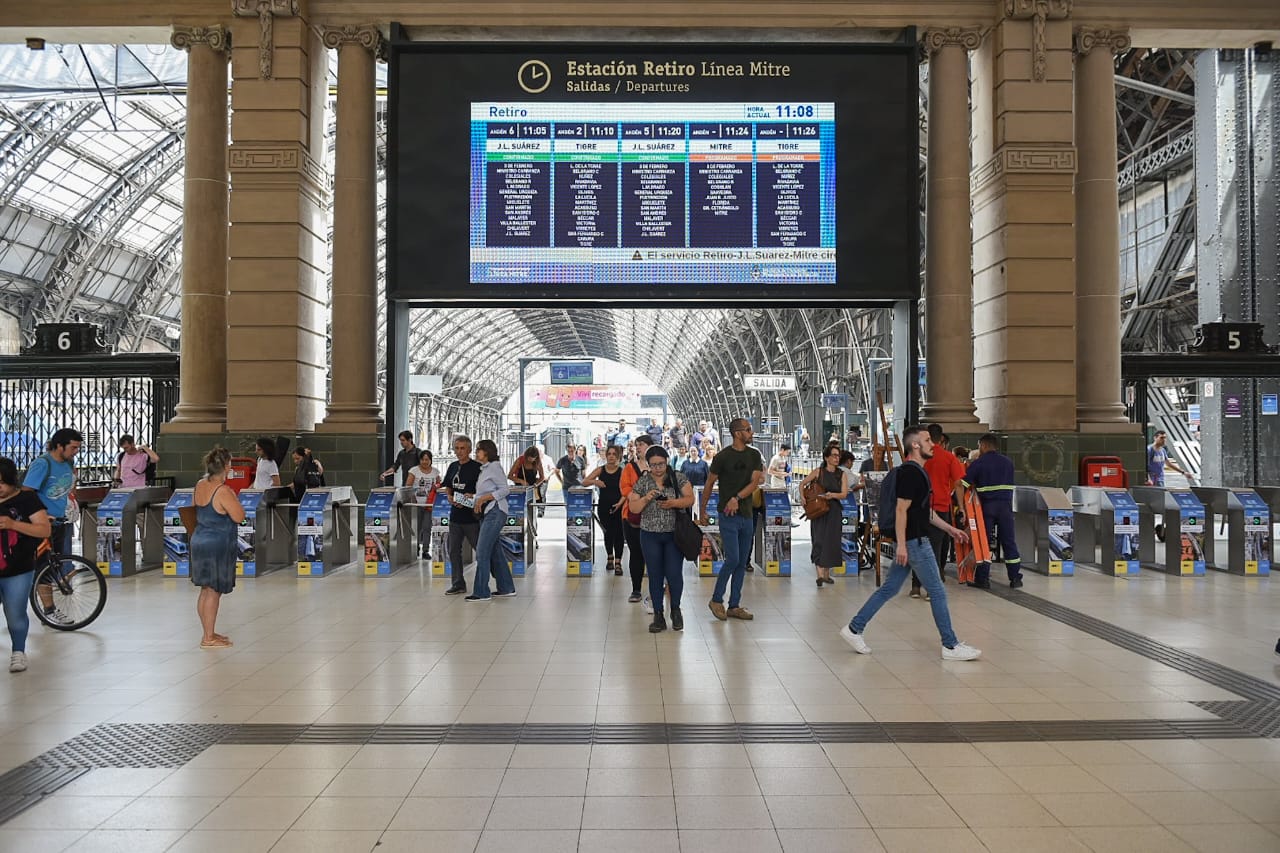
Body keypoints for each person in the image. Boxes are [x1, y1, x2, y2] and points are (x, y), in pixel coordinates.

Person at [840, 425, 982, 661]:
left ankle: (854, 628)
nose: (932, 444)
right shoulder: (912, 473)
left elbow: (924, 513)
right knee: (937, 590)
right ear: (915, 445)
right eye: (927, 440)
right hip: (915, 542)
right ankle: (950, 645)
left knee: (890, 588)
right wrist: (903, 545)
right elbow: (901, 509)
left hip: (912, 540)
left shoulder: (919, 473)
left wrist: (951, 529)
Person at [699, 417, 764, 622]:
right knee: (733, 558)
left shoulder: (754, 455)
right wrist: (702, 510)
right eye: (748, 429)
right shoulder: (722, 457)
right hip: (727, 515)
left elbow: (755, 482)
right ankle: (716, 599)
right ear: (737, 433)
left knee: (742, 562)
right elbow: (709, 483)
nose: (751, 432)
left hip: (746, 514)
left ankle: (734, 605)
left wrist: (737, 498)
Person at [628, 445, 695, 633]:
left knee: (674, 573)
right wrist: (646, 498)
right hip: (649, 534)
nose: (658, 468)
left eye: (662, 464)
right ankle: (658, 613)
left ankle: (675, 610)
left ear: (667, 461)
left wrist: (673, 503)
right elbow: (633, 508)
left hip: (674, 534)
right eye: (654, 465)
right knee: (655, 574)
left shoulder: (678, 477)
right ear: (648, 465)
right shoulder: (643, 482)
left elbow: (690, 499)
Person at [0, 456, 52, 672]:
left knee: (15, 613)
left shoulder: (27, 500)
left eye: (2, 483)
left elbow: (44, 530)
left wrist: (13, 524)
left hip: (18, 568)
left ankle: (18, 651)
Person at [190, 447, 245, 649]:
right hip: (217, 544)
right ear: (226, 466)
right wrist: (234, 498)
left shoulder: (199, 484)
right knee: (213, 591)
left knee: (206, 589)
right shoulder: (223, 491)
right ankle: (208, 638)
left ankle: (209, 632)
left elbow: (194, 506)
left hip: (199, 540)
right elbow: (239, 516)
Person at [963, 433, 1024, 589]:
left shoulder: (979, 463)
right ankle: (1015, 578)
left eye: (979, 446)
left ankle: (982, 578)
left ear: (983, 446)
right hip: (1005, 507)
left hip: (987, 507)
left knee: (984, 543)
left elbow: (963, 483)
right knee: (1009, 542)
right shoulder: (1008, 462)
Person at [918, 424, 966, 598]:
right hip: (940, 507)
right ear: (941, 439)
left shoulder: (917, 455)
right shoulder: (949, 458)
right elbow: (959, 483)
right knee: (936, 548)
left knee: (918, 545)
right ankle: (932, 589)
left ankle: (916, 587)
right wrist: (961, 507)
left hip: (919, 508)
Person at [466, 439, 516, 602]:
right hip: (486, 512)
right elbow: (485, 491)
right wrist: (474, 498)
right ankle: (506, 587)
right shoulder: (484, 469)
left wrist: (484, 498)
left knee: (482, 551)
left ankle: (481, 591)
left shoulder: (494, 467)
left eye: (479, 450)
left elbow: (505, 489)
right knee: (495, 551)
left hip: (495, 511)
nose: (476, 452)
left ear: (487, 451)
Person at [23, 428, 81, 558]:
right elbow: (27, 493)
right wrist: (42, 514)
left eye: (78, 448)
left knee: (56, 562)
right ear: (60, 446)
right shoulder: (43, 464)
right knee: (41, 564)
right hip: (43, 524)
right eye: (73, 448)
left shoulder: (69, 463)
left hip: (60, 522)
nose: (76, 452)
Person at [800, 444, 848, 587]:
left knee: (832, 541)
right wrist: (803, 498)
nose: (836, 458)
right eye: (833, 455)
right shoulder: (818, 472)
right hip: (819, 510)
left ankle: (826, 574)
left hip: (834, 510)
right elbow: (802, 484)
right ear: (826, 457)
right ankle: (820, 575)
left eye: (838, 455)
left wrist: (832, 495)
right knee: (819, 539)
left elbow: (844, 494)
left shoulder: (842, 474)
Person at [442, 435, 482, 596]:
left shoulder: (477, 468)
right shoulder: (452, 467)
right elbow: (448, 486)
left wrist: (470, 496)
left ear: (470, 450)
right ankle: (457, 583)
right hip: (455, 517)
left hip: (471, 518)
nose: (459, 452)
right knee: (453, 551)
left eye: (462, 448)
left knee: (480, 550)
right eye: (457, 448)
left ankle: (483, 581)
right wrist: (450, 497)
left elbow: (482, 490)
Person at [620, 433, 654, 604]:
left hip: (654, 517)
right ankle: (636, 589)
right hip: (632, 516)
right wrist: (637, 495)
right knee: (636, 554)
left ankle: (654, 591)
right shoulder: (629, 467)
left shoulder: (659, 466)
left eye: (641, 444)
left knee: (654, 555)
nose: (638, 447)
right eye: (637, 445)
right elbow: (624, 487)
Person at [583, 445, 626, 576]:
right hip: (604, 506)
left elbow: (628, 490)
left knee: (619, 534)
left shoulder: (622, 471)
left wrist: (620, 503)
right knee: (608, 533)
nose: (611, 456)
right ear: (606, 456)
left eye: (614, 454)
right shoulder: (600, 470)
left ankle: (618, 562)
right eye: (609, 454)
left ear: (618, 456)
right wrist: (596, 482)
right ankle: (610, 558)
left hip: (619, 505)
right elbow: (585, 481)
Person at [405, 449, 441, 559]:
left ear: (430, 460)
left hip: (429, 505)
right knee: (416, 527)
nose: (425, 462)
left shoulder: (435, 472)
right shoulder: (414, 471)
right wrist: (412, 499)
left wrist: (436, 487)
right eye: (422, 459)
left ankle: (425, 550)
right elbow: (408, 487)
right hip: (416, 504)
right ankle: (415, 548)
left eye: (427, 460)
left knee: (427, 527)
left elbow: (439, 485)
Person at [509, 446, 547, 517]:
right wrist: (521, 481)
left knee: (532, 507)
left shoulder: (537, 462)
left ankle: (533, 521)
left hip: (532, 487)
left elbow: (542, 477)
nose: (530, 461)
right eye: (529, 459)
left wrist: (535, 484)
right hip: (520, 488)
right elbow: (510, 476)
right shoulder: (520, 460)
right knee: (520, 508)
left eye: (533, 459)